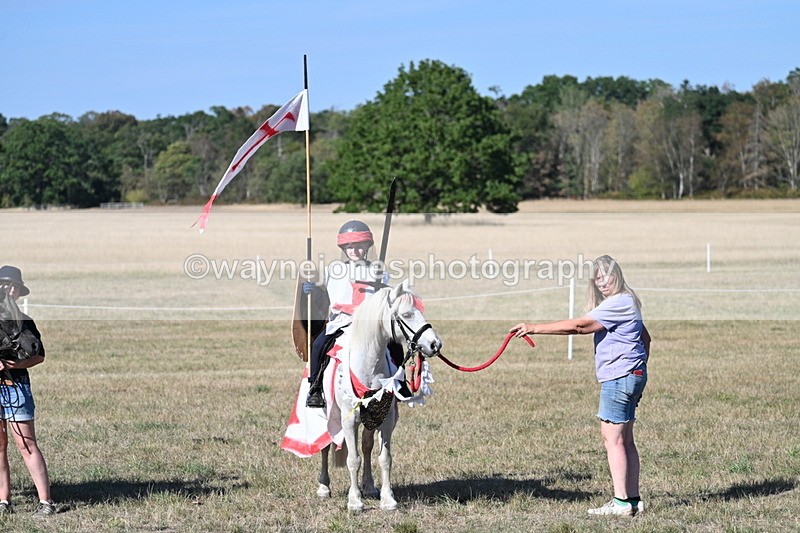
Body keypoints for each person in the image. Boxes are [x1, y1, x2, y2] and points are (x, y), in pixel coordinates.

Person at [510, 255, 650, 517]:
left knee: (613, 440)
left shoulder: (618, 303)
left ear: (617, 275)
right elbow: (646, 339)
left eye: (607, 275)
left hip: (620, 377)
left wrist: (534, 327)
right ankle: (633, 499)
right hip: (631, 374)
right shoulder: (629, 301)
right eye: (598, 278)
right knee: (625, 440)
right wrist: (638, 374)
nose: (603, 281)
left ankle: (621, 503)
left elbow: (579, 326)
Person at [303, 221, 388, 408]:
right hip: (341, 323)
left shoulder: (378, 270)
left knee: (394, 345)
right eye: (350, 247)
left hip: (370, 325)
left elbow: (384, 298)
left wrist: (383, 287)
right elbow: (325, 299)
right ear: (343, 248)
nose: (354, 251)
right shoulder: (334, 270)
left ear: (367, 247)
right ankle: (315, 389)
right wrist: (313, 292)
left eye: (359, 247)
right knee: (318, 346)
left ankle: (399, 382)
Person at [0, 265, 55, 517]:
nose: (11, 290)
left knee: (26, 443)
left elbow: (39, 355)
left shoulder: (25, 322)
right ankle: (3, 501)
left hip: (16, 386)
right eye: (7, 285)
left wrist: (17, 364)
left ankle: (46, 502)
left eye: (15, 287)